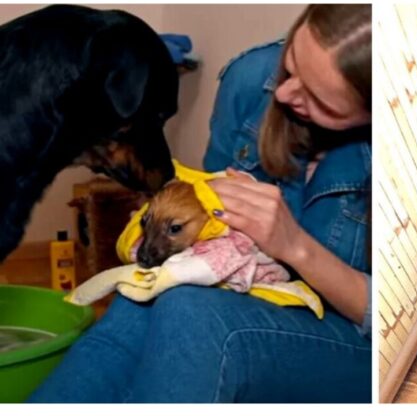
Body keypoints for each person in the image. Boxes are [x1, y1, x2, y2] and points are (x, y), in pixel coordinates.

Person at [29, 4, 371, 403]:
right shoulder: (252, 78)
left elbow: (387, 321)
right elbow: (203, 213)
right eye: (292, 63)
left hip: (351, 337)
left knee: (191, 310)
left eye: (321, 100)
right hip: (253, 297)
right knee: (138, 299)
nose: (281, 93)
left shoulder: (404, 146)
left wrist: (294, 246)